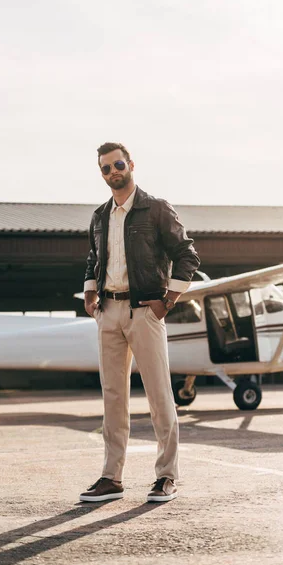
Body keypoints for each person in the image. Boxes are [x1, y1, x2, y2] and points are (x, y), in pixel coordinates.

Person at [79, 142, 200, 503]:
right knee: (113, 397)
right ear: (101, 174)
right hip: (109, 313)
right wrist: (90, 294)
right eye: (105, 168)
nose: (113, 172)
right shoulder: (100, 216)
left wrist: (168, 301)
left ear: (130, 164)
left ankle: (166, 476)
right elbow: (93, 258)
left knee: (158, 393)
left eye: (117, 164)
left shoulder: (156, 208)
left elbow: (187, 255)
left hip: (145, 312)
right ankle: (111, 478)